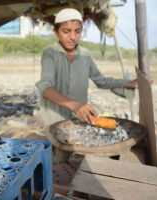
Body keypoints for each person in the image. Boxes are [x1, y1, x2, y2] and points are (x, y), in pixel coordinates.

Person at [35, 8, 138, 163]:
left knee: (76, 152)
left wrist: (129, 83)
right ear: (56, 33)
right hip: (54, 117)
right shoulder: (50, 53)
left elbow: (101, 81)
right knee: (57, 156)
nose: (72, 37)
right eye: (66, 31)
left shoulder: (86, 55)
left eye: (77, 31)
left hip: (77, 119)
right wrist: (75, 105)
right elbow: (46, 88)